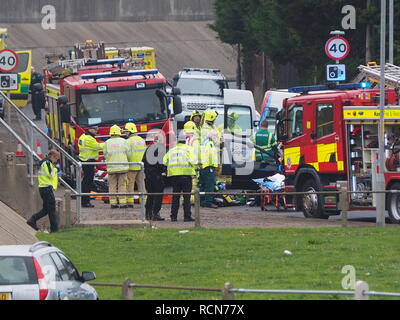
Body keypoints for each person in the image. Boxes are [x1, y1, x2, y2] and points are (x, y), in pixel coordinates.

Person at [163, 131, 196, 222]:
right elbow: (193, 161)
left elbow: (164, 161)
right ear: (185, 140)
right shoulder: (189, 149)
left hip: (174, 177)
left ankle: (173, 217)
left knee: (175, 197)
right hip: (186, 176)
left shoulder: (172, 150)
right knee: (186, 197)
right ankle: (187, 216)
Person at [27, 150, 61, 232]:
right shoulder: (47, 163)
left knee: (46, 209)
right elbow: (50, 174)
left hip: (45, 188)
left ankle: (32, 220)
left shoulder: (46, 163)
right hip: (46, 189)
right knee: (51, 209)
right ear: (52, 156)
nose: (56, 161)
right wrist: (56, 169)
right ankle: (54, 229)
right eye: (56, 159)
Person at [103, 125, 129, 209]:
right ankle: (123, 203)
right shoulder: (124, 141)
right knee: (122, 185)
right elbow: (128, 153)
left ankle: (113, 203)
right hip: (122, 167)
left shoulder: (107, 142)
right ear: (119, 132)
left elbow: (105, 154)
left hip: (111, 167)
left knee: (112, 185)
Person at [78, 125, 104, 208]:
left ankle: (84, 201)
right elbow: (98, 147)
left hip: (84, 160)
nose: (96, 131)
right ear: (90, 129)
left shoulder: (83, 136)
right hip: (88, 162)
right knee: (88, 182)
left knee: (86, 181)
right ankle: (85, 202)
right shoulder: (89, 139)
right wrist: (109, 143)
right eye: (95, 130)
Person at [143, 134, 166, 221]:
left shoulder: (148, 149)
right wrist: (164, 170)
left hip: (148, 176)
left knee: (150, 195)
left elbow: (143, 161)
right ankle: (155, 213)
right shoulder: (160, 149)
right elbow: (161, 164)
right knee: (158, 195)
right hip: (156, 176)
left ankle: (148, 214)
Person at [124, 122, 146, 208]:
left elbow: (127, 154)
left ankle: (130, 202)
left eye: (126, 131)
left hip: (131, 166)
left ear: (131, 131)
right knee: (142, 184)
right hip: (141, 166)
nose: (125, 133)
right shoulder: (141, 140)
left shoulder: (128, 141)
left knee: (130, 184)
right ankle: (144, 201)